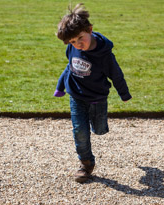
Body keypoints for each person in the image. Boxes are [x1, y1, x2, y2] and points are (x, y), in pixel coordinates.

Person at [54, 3, 132, 183]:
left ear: (89, 29)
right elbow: (69, 68)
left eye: (80, 38)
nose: (77, 44)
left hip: (97, 98)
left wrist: (124, 94)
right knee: (80, 131)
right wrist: (60, 87)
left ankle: (97, 126)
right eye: (73, 42)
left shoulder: (105, 55)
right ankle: (86, 164)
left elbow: (116, 75)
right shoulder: (72, 48)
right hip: (77, 96)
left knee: (98, 129)